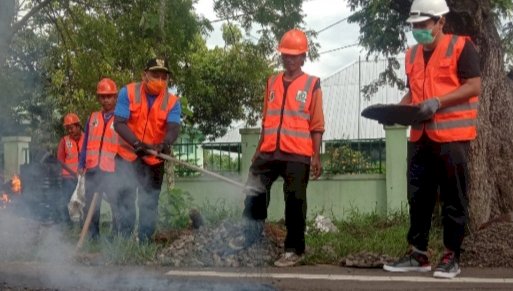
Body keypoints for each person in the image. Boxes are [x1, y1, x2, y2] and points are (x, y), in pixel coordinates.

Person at [382, 0, 481, 279]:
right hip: (420, 136)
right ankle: (418, 253)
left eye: (423, 25)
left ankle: (452, 255)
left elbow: (474, 86)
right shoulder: (412, 55)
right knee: (418, 197)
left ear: (440, 22)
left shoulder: (462, 47)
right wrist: (396, 111)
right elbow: (413, 94)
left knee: (453, 198)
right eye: (414, 26)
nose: (418, 31)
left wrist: (438, 101)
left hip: (452, 137)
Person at [228, 28, 325, 267]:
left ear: (304, 56)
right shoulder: (272, 82)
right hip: (269, 150)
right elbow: (266, 119)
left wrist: (316, 156)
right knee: (254, 192)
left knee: (295, 201)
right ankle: (250, 235)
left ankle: (294, 249)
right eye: (285, 55)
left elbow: (317, 124)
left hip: (298, 153)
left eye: (295, 55)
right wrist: (258, 151)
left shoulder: (312, 84)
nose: (289, 59)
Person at [113, 57, 181, 242]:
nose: (160, 80)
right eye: (155, 75)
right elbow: (119, 123)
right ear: (144, 75)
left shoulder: (172, 102)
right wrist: (136, 144)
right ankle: (124, 243)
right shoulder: (127, 92)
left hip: (153, 159)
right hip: (128, 156)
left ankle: (145, 243)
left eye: (163, 77)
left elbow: (173, 127)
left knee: (149, 202)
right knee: (125, 201)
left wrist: (165, 144)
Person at [77, 78, 119, 239]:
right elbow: (86, 141)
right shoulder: (93, 117)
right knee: (91, 206)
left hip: (111, 170)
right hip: (93, 169)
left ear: (115, 97)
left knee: (115, 203)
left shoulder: (121, 119)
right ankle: (93, 236)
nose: (106, 99)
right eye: (103, 96)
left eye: (109, 96)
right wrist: (81, 163)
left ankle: (116, 236)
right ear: (99, 98)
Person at [57, 113, 84, 225]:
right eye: (67, 128)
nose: (69, 131)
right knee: (66, 201)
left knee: (83, 202)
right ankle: (67, 225)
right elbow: (60, 160)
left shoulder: (87, 138)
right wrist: (73, 173)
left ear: (78, 126)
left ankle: (83, 225)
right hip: (68, 177)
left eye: (71, 128)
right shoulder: (64, 141)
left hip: (83, 178)